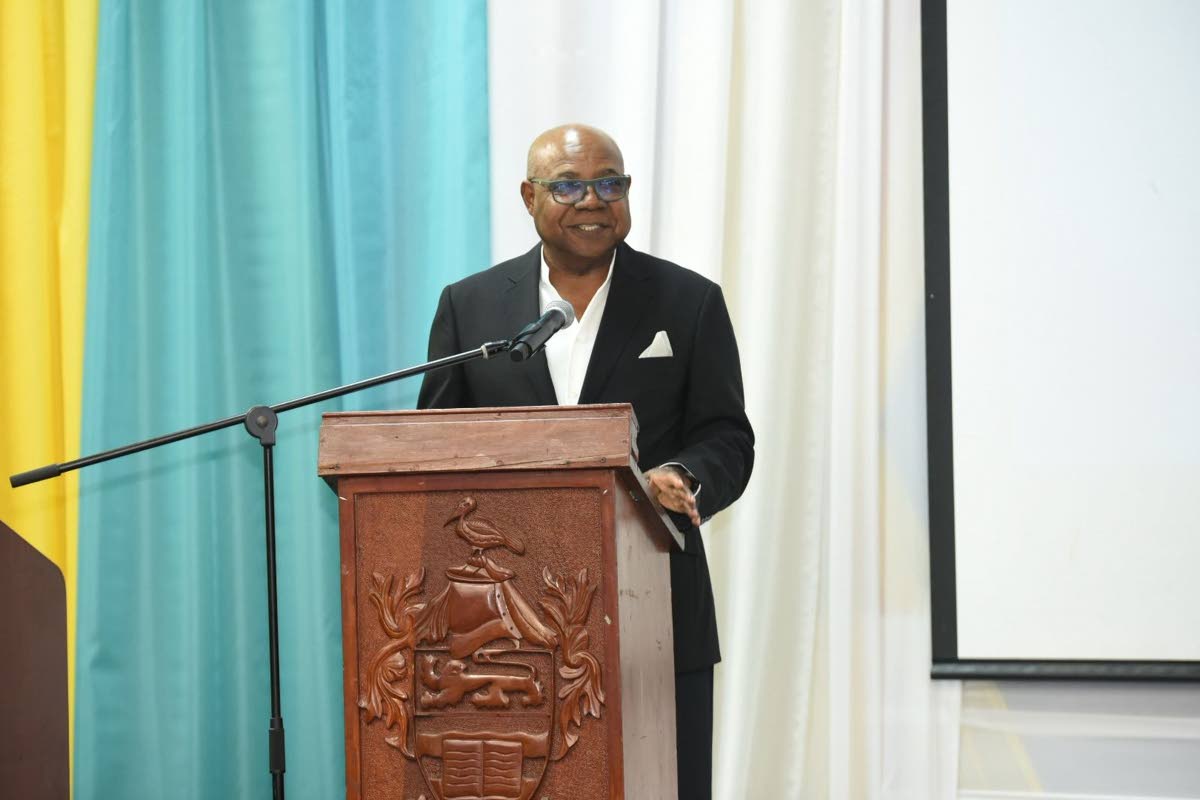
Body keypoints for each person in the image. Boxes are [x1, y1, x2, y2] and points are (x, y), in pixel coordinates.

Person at [417, 123, 754, 799]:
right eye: (569, 185)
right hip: (504, 635)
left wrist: (683, 478)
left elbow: (727, 437)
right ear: (528, 195)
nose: (593, 201)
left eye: (611, 184)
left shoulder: (688, 303)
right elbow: (435, 444)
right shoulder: (471, 307)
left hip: (656, 612)